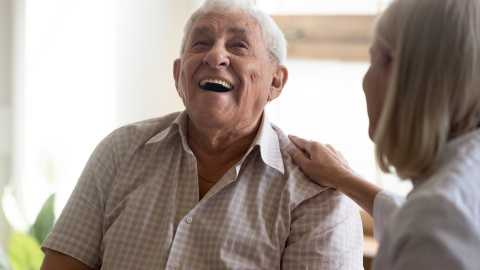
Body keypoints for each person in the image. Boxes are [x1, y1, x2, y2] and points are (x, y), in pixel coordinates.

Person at [40, 0, 363, 269]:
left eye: (239, 45)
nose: (215, 56)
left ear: (275, 83)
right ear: (179, 74)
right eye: (201, 43)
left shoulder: (315, 191)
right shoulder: (119, 151)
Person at [289, 0, 480, 268]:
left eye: (372, 58)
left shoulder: (439, 220)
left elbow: (427, 222)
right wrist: (344, 178)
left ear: (397, 68)